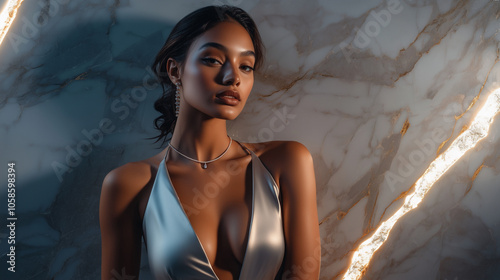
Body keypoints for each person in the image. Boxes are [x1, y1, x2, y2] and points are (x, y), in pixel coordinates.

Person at [100, 5, 320, 280]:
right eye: (213, 60)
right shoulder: (129, 185)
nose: (233, 77)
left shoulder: (285, 162)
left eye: (246, 66)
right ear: (175, 71)